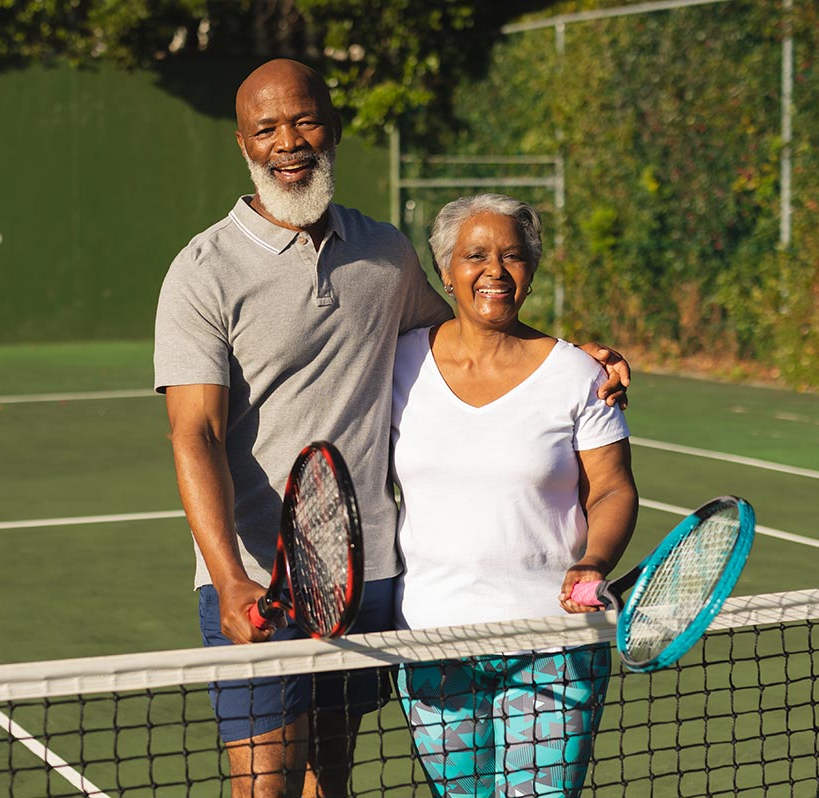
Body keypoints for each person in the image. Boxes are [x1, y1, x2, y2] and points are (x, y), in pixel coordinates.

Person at [154, 59, 630, 798]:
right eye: (267, 129)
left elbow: (474, 334)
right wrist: (227, 578)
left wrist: (569, 353)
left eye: (305, 121)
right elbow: (195, 435)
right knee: (263, 787)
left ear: (334, 129)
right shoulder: (203, 271)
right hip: (261, 581)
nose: (289, 142)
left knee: (331, 775)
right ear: (244, 145)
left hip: (371, 577)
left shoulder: (385, 253)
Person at [390, 194, 639, 797]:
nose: (495, 271)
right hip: (430, 644)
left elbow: (612, 489)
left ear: (531, 269)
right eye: (475, 255)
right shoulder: (397, 364)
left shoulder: (579, 375)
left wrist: (593, 562)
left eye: (513, 255)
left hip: (552, 645)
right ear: (445, 270)